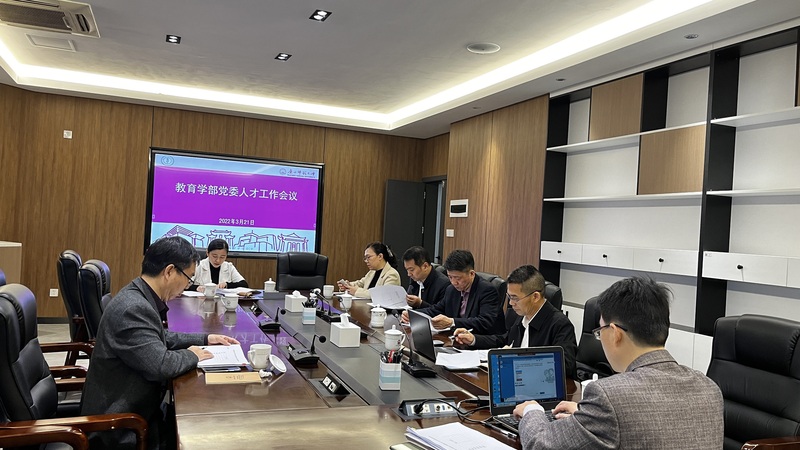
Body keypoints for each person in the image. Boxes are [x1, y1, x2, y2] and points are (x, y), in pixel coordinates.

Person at [512, 277, 724, 450]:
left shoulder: (609, 396)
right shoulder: (709, 388)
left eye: (600, 331)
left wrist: (532, 411)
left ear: (615, 333)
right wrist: (587, 416)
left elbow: (541, 444)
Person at [81, 236, 240, 450]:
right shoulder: (132, 308)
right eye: (188, 278)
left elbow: (158, 337)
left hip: (139, 412)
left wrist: (205, 339)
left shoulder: (139, 295)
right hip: (120, 428)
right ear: (169, 272)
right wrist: (193, 355)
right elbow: (161, 365)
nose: (187, 285)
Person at [453, 265, 577, 378]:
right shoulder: (523, 315)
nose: (511, 303)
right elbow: (504, 340)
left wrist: (520, 362)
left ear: (535, 297)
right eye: (509, 297)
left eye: (515, 298)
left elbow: (565, 367)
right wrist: (473, 339)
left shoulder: (560, 324)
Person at [402, 249, 503, 334]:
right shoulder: (451, 289)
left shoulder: (487, 290)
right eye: (450, 277)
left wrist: (452, 322)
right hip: (458, 339)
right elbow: (436, 309)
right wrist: (413, 314)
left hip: (481, 342)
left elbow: (484, 322)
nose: (454, 282)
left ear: (471, 274)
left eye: (457, 278)